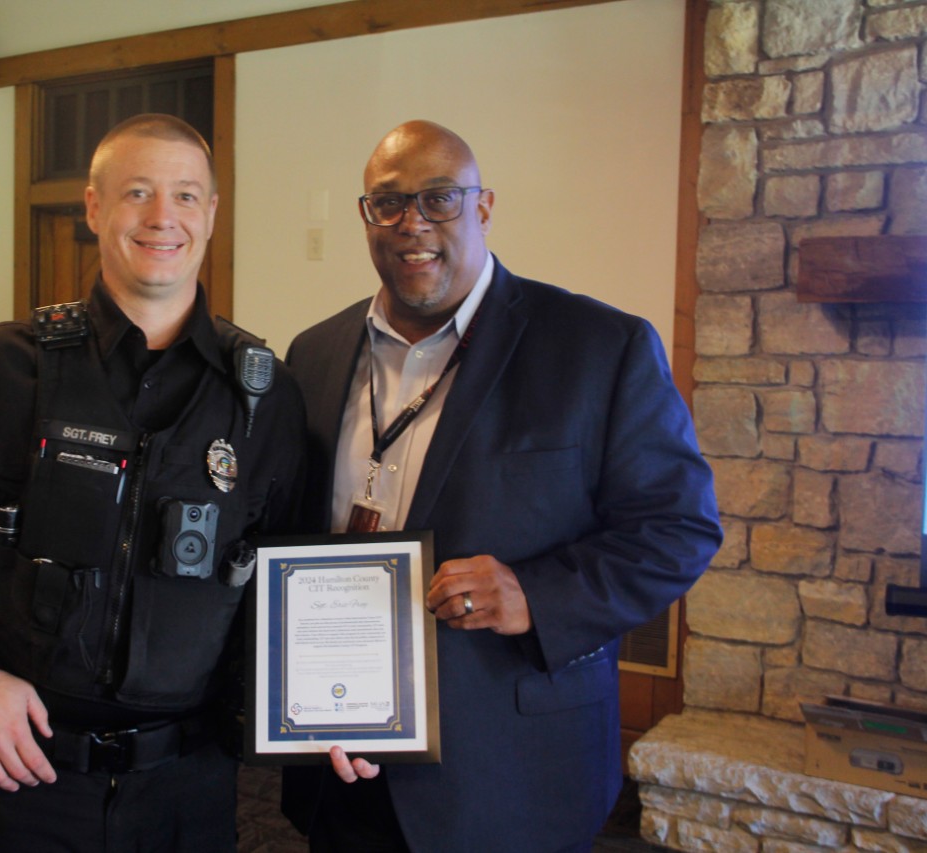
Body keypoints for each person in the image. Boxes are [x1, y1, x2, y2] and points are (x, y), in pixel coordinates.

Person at [280, 120, 722, 852]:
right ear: (365, 216)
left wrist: (534, 594)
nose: (411, 222)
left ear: (483, 207)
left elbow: (678, 530)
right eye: (387, 202)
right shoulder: (314, 351)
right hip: (341, 765)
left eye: (439, 198)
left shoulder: (598, 347)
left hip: (511, 775)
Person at [0, 113, 305, 853]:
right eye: (137, 192)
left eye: (186, 196)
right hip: (21, 765)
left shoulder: (265, 397)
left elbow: (294, 574)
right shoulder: (1, 365)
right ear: (94, 207)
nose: (163, 216)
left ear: (211, 216)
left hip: (188, 781)